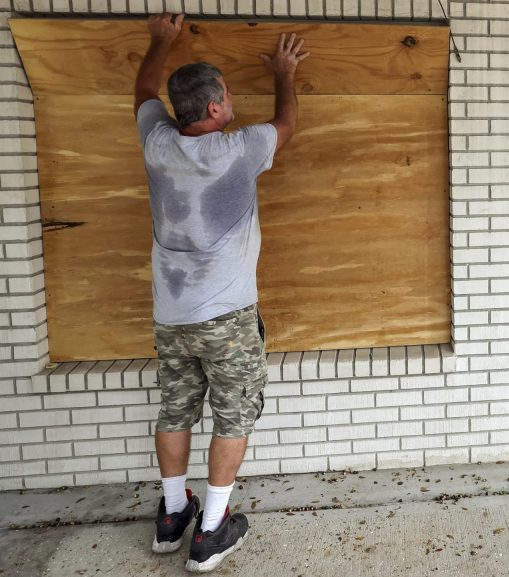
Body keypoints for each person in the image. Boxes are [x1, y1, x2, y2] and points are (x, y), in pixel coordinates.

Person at [133, 13, 309, 573]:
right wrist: (284, 71)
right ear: (214, 108)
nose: (231, 102)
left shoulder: (156, 143)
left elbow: (142, 91)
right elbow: (287, 121)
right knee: (232, 416)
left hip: (172, 314)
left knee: (175, 409)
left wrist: (160, 42)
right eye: (227, 96)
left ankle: (170, 514)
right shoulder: (238, 148)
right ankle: (211, 530)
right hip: (228, 318)